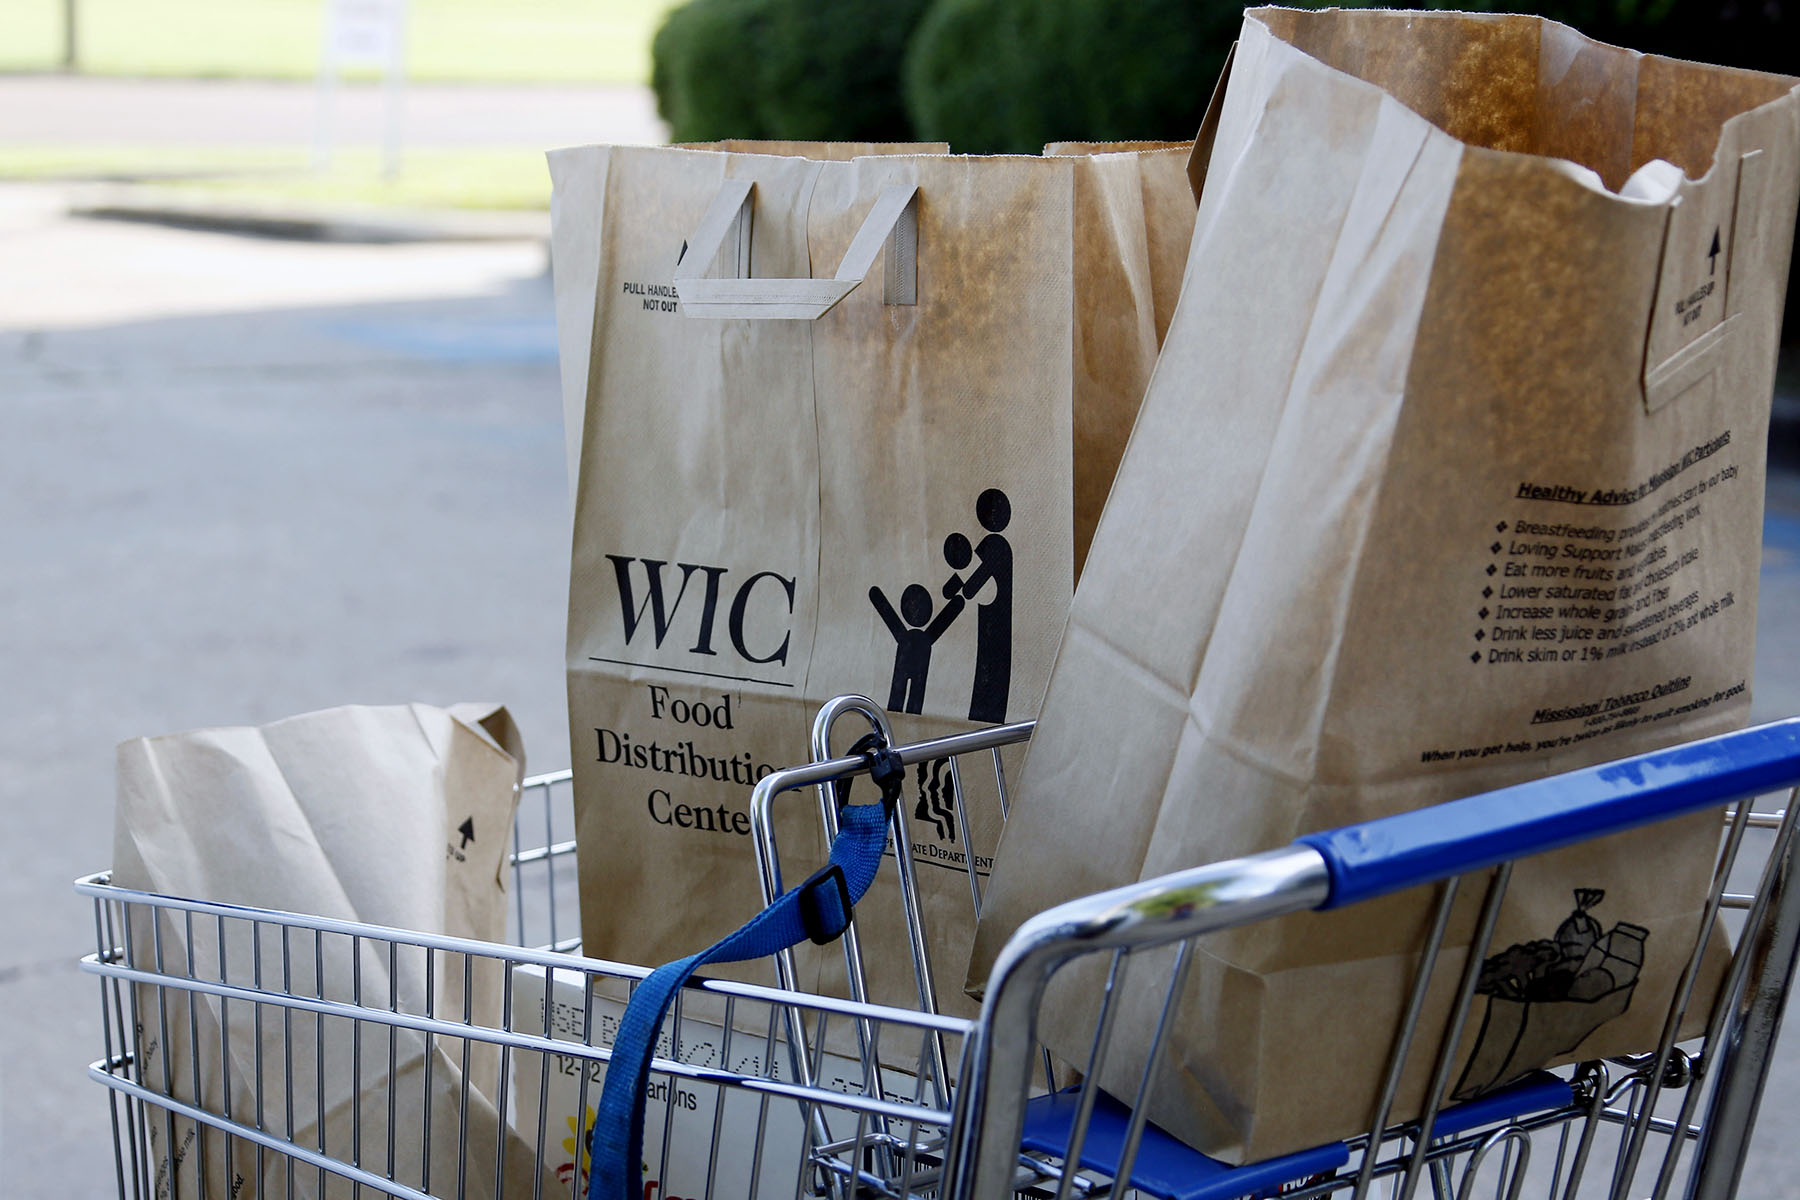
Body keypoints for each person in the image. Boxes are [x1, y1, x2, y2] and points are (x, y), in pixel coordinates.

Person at [956, 488, 1013, 723]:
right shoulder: (998, 544)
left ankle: (988, 713)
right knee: (989, 666)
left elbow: (972, 585)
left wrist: (959, 586)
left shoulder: (995, 544)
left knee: (990, 668)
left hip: (994, 617)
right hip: (994, 613)